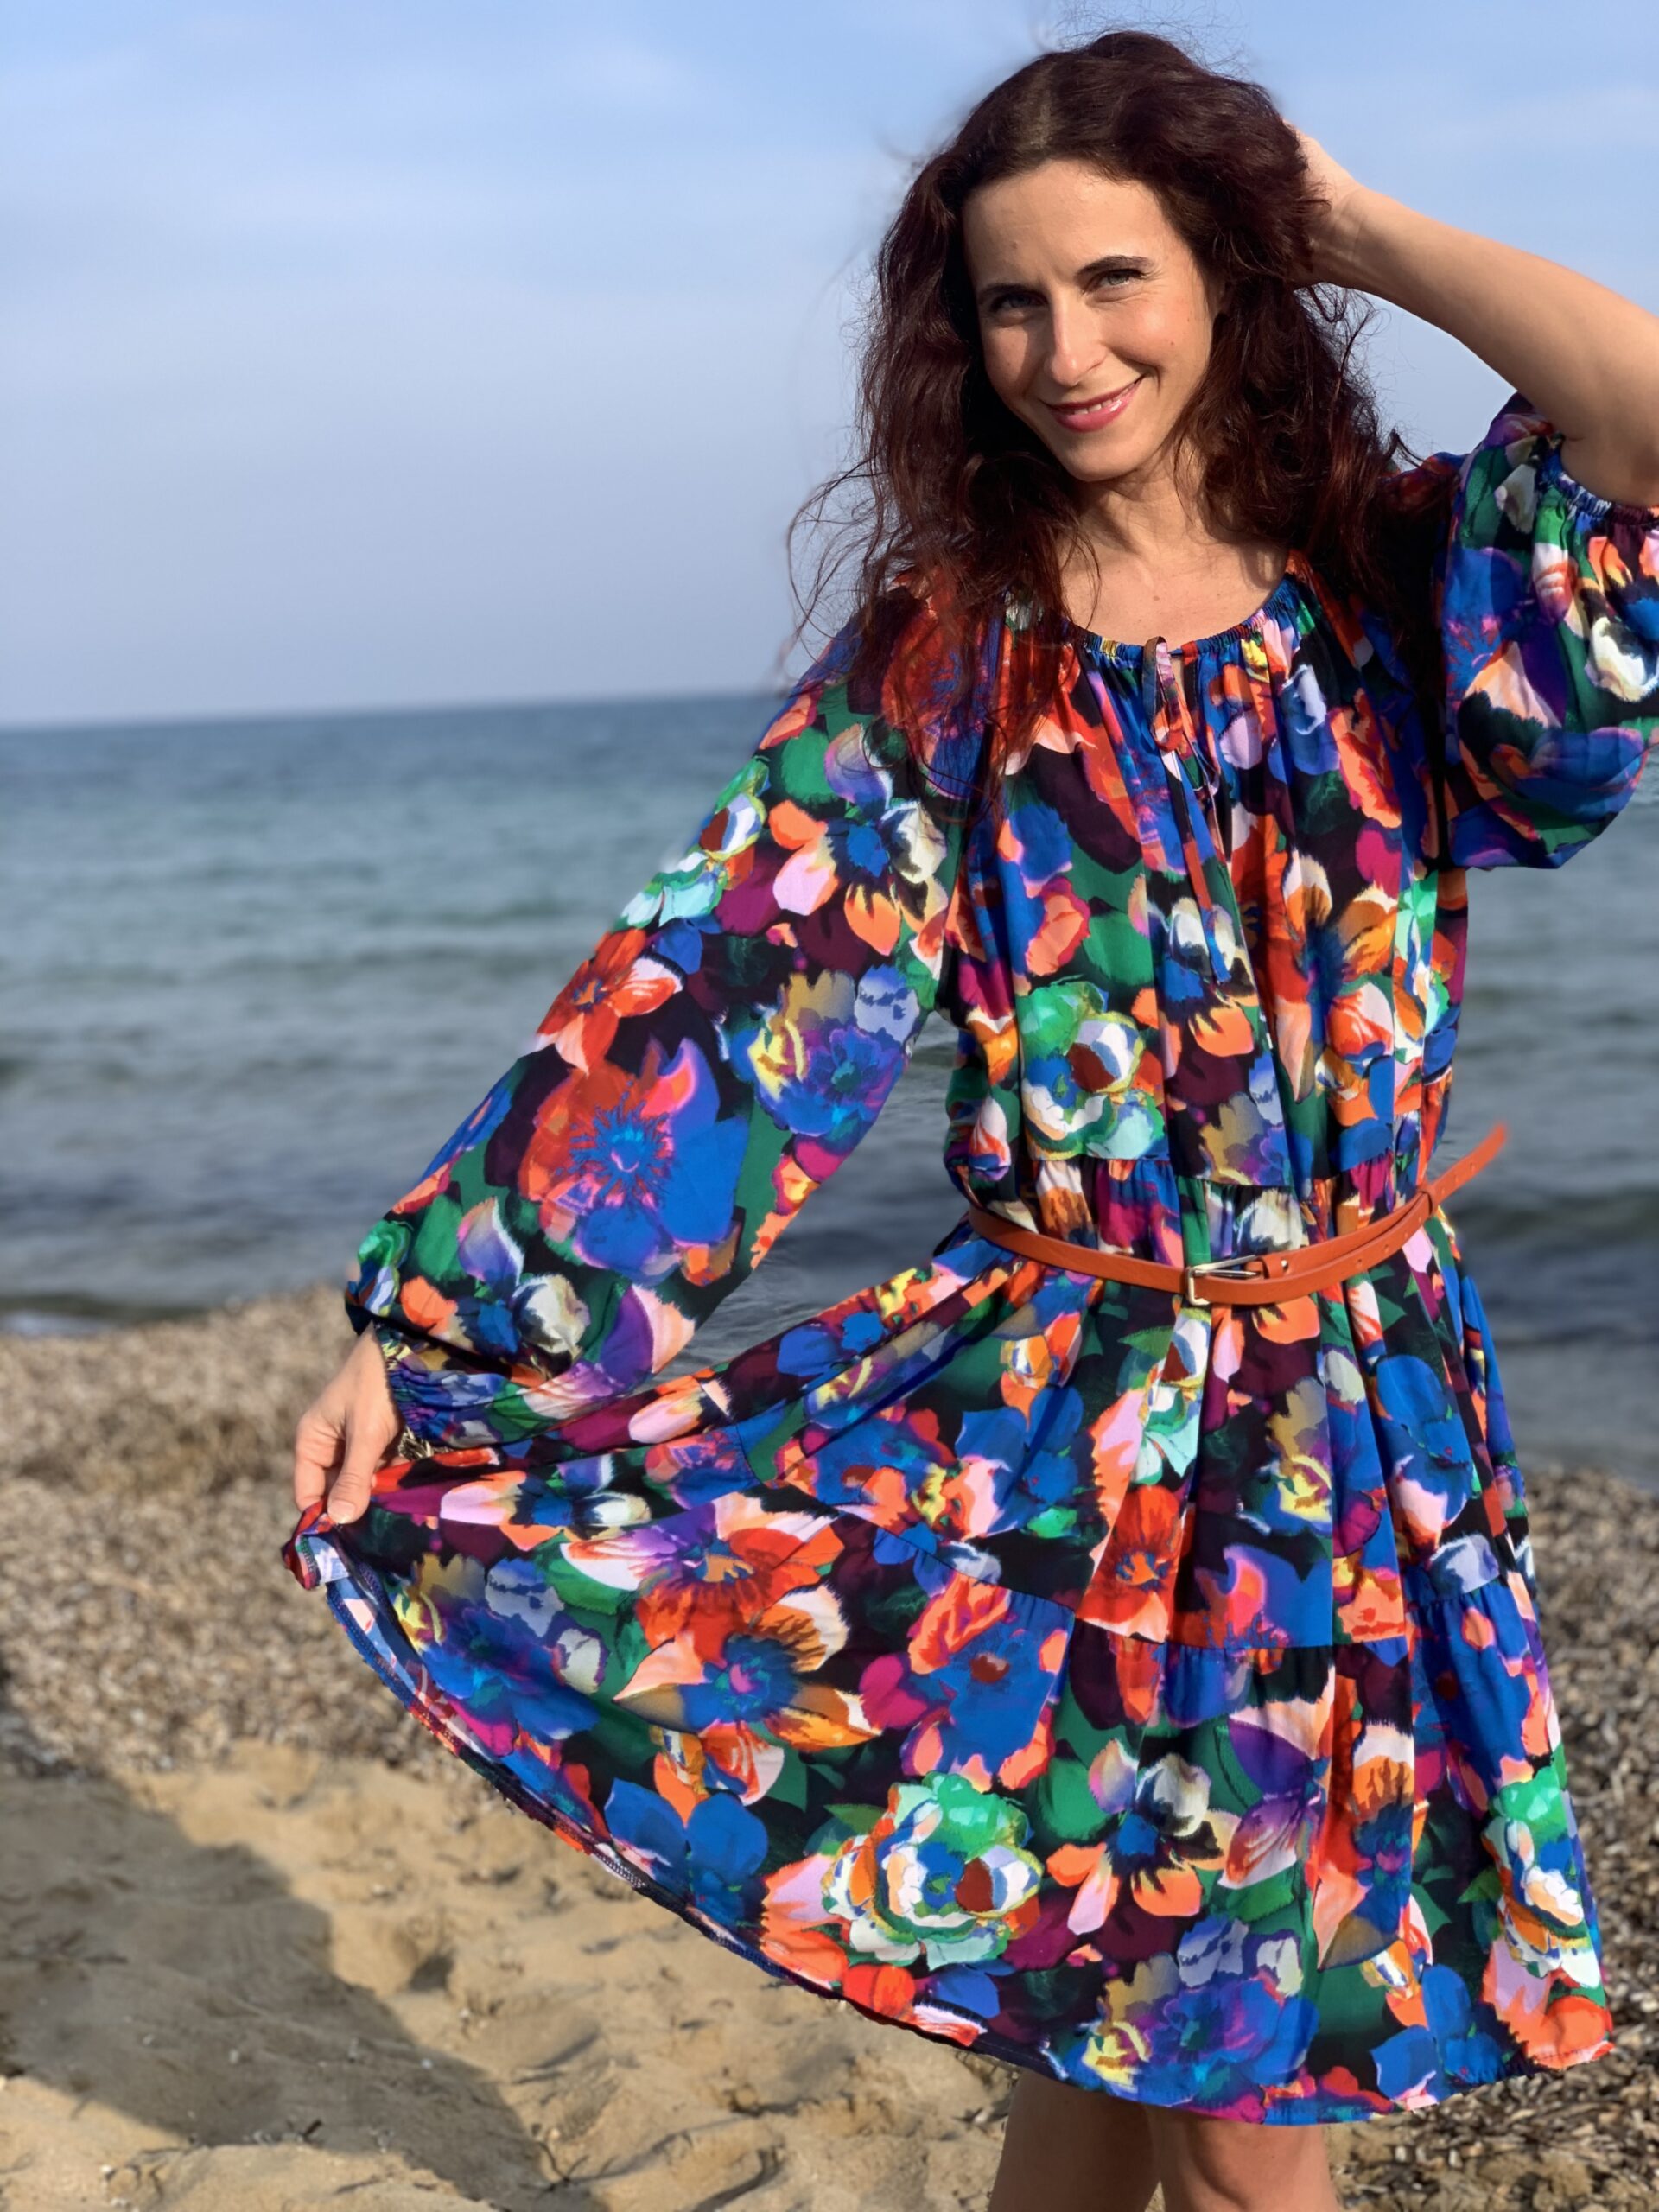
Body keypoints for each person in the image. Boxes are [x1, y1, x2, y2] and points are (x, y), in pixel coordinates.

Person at [283, 28, 1659, 2212]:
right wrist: (434, 1332)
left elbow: (1646, 430)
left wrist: (1358, 224)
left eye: (1117, 278)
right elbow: (724, 993)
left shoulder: (1393, 586)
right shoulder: (956, 658)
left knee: (1131, 2039)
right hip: (1067, 1425)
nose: (1065, 350)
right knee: (1209, 2083)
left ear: (1228, 269)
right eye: (1013, 301)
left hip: (1358, 1410)